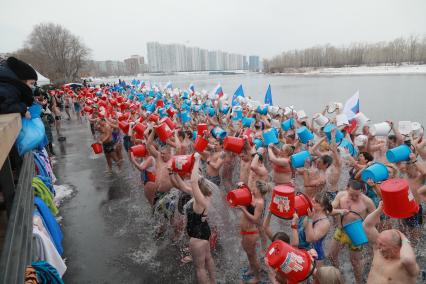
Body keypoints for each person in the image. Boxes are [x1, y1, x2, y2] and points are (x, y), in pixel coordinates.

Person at [328, 179, 376, 284]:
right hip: (341, 231)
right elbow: (329, 210)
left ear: (362, 191)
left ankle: (359, 282)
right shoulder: (340, 195)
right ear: (346, 188)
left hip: (357, 234)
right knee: (331, 255)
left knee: (355, 262)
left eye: (357, 195)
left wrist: (366, 228)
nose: (354, 198)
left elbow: (376, 219)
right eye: (351, 195)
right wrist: (340, 211)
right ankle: (339, 278)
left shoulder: (367, 201)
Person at [363, 201, 419, 284]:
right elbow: (367, 225)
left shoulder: (404, 265)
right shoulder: (378, 250)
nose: (379, 248)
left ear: (396, 248)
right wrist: (379, 210)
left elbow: (408, 260)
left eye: (383, 245)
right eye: (379, 244)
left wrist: (403, 237)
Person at [187, 153, 216, 284]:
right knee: (208, 258)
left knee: (199, 268)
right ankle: (214, 281)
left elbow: (193, 181)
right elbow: (184, 185)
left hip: (197, 235)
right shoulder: (205, 197)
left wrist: (197, 160)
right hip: (204, 231)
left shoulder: (200, 200)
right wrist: (173, 174)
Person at [237, 180, 271, 283]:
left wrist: (243, 209)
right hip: (245, 231)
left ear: (259, 191)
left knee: (253, 255)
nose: (253, 188)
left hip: (251, 232)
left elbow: (256, 219)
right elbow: (244, 193)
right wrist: (242, 186)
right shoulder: (252, 196)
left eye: (255, 187)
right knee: (248, 253)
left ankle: (257, 277)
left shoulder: (260, 202)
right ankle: (252, 269)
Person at [291, 192, 332, 268]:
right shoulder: (311, 210)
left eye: (315, 202)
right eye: (312, 200)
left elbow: (309, 239)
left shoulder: (324, 223)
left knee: (316, 279)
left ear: (322, 207)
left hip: (315, 255)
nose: (311, 203)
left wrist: (309, 219)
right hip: (300, 249)